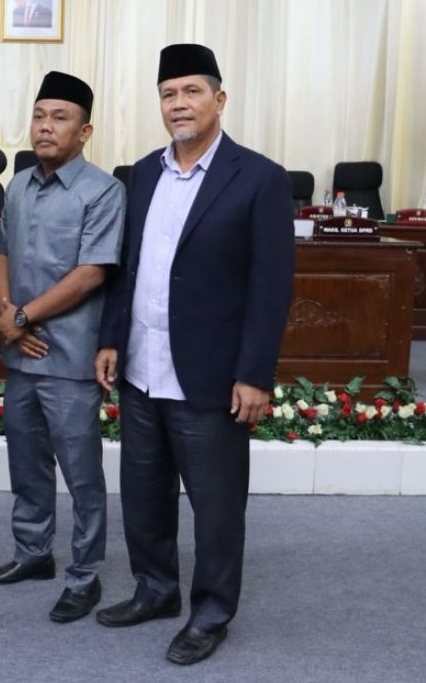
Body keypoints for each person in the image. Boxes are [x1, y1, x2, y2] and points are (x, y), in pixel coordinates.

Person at [93, 44, 295, 663]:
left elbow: (271, 286)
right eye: (168, 94)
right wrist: (111, 337)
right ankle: (155, 590)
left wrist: (254, 374)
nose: (178, 104)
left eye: (191, 91)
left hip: (209, 375)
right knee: (144, 494)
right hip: (142, 370)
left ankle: (210, 613)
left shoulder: (259, 178)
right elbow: (125, 268)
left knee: (216, 506)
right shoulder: (142, 174)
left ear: (219, 99)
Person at [0, 72, 125, 623]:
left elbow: (91, 273)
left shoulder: (104, 191)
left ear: (84, 131)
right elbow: (1, 251)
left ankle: (84, 575)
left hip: (69, 358)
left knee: (82, 476)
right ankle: (33, 553)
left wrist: (23, 316)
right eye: (39, 116)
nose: (45, 127)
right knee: (26, 463)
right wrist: (6, 314)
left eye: (59, 118)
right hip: (22, 354)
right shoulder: (17, 186)